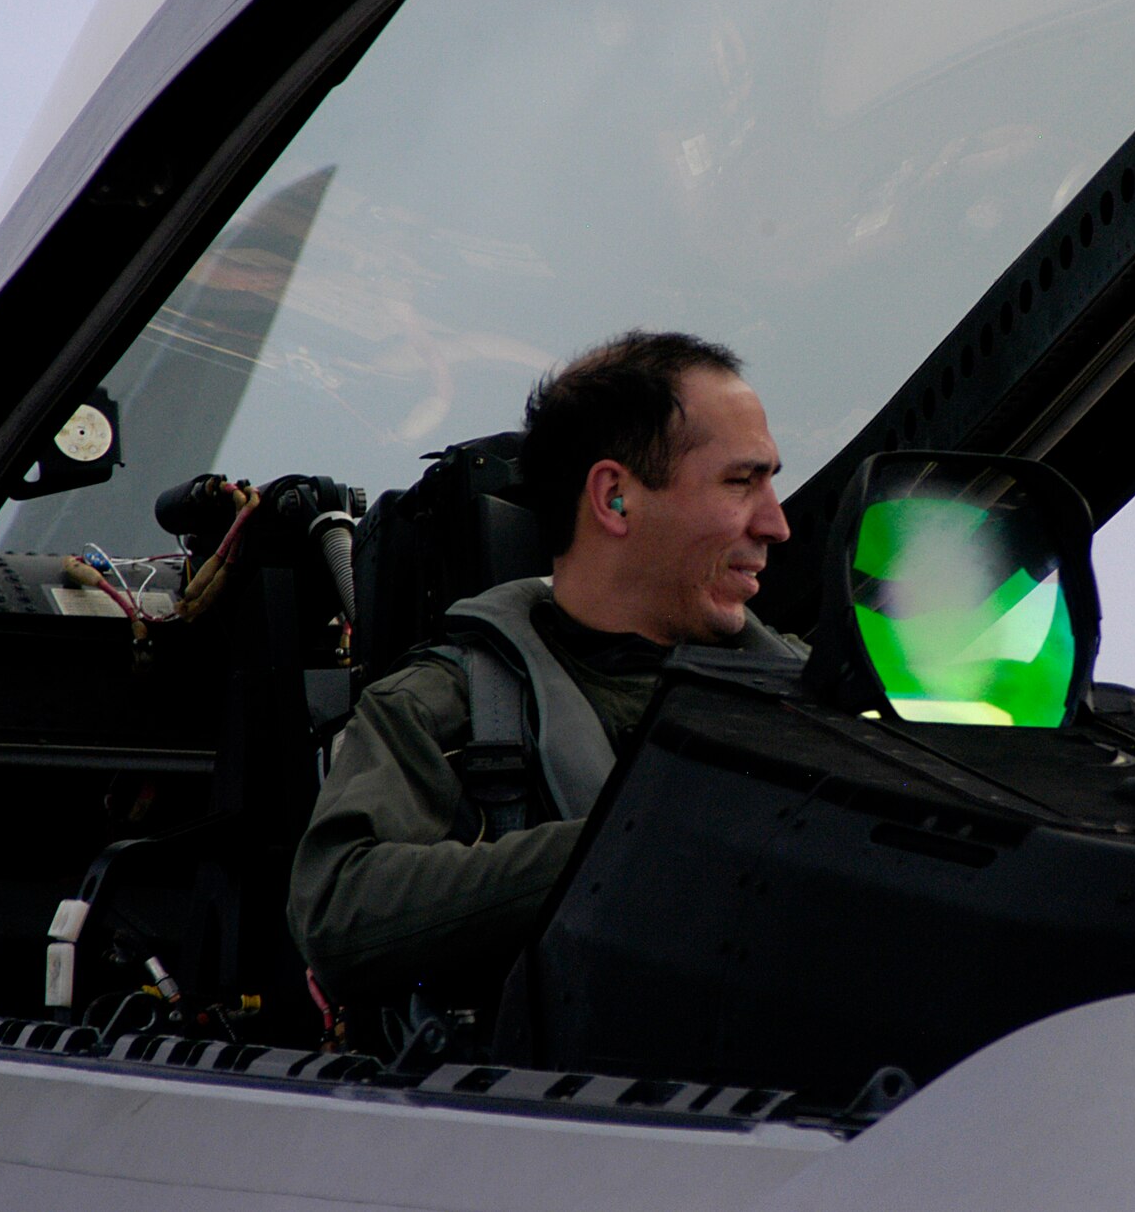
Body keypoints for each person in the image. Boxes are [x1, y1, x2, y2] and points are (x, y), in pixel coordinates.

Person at [286, 331, 799, 1013]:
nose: (777, 524)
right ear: (615, 498)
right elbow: (339, 908)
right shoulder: (446, 709)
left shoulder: (822, 697)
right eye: (742, 482)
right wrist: (640, 840)